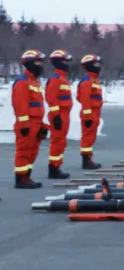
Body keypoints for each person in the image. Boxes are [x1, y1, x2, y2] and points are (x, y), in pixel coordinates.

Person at [12, 50, 49, 189]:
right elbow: (20, 105)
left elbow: (37, 105)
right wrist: (24, 124)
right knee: (24, 151)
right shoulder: (22, 82)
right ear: (29, 64)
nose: (40, 65)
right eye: (38, 62)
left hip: (36, 123)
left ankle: (27, 176)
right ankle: (20, 179)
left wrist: (42, 125)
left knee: (32, 151)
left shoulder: (34, 82)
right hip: (26, 124)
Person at [44, 49, 74, 180]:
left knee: (61, 142)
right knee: (57, 141)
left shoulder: (63, 78)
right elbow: (51, 98)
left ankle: (57, 166)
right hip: (59, 115)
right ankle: (53, 169)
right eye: (65, 61)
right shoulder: (55, 79)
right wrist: (56, 116)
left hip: (64, 114)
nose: (67, 64)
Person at [76, 54, 104, 170]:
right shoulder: (87, 81)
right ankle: (86, 161)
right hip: (90, 114)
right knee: (87, 137)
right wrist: (87, 116)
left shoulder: (94, 80)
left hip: (95, 112)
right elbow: (84, 99)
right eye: (96, 64)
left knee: (91, 137)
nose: (98, 66)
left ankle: (89, 159)